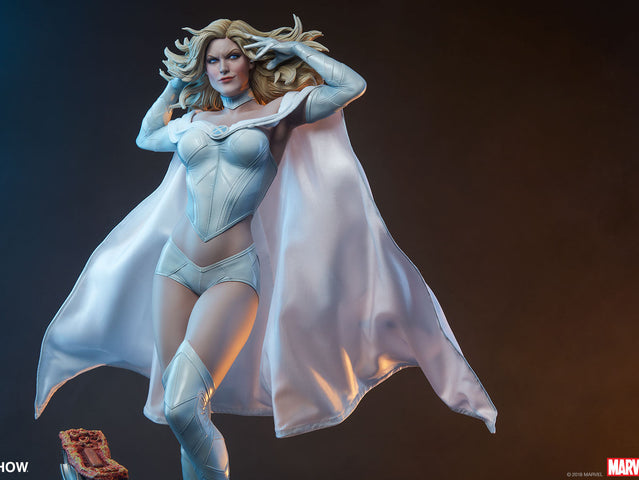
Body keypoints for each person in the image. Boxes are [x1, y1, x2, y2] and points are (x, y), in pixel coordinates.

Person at [35, 16, 497, 480]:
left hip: (232, 274)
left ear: (250, 60)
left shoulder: (278, 116)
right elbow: (146, 134)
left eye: (233, 56)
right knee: (186, 411)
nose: (222, 67)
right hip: (173, 269)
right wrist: (176, 85)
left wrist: (294, 51)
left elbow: (350, 86)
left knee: (181, 406)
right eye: (212, 60)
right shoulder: (195, 120)